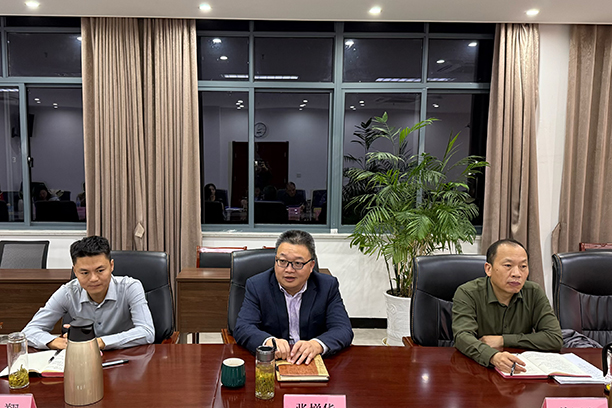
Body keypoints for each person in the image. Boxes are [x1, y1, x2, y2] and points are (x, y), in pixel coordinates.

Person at [234, 230, 353, 365]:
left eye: (298, 263)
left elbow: (342, 329)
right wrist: (268, 342)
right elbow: (243, 327)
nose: (289, 270)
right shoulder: (257, 285)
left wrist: (316, 345)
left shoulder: (327, 286)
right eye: (282, 261)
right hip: (272, 362)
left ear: (311, 266)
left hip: (311, 361)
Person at [22, 236, 155, 350]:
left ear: (111, 266)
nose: (93, 279)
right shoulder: (68, 292)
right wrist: (56, 342)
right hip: (81, 360)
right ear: (75, 271)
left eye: (100, 270)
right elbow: (28, 332)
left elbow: (147, 332)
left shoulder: (130, 287)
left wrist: (100, 342)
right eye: (85, 272)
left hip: (126, 358)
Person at [452, 239, 563, 373]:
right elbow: (462, 336)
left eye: (523, 266)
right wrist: (493, 356)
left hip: (521, 369)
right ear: (488, 269)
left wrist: (503, 340)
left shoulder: (533, 292)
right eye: (508, 265)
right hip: (477, 369)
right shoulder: (467, 293)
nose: (517, 273)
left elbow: (554, 338)